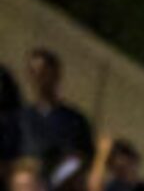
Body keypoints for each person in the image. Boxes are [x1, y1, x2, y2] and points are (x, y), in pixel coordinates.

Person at [11, 52, 89, 183]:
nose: (38, 78)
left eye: (43, 72)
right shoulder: (20, 118)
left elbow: (79, 160)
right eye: (33, 72)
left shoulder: (75, 120)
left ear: (56, 75)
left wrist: (54, 179)